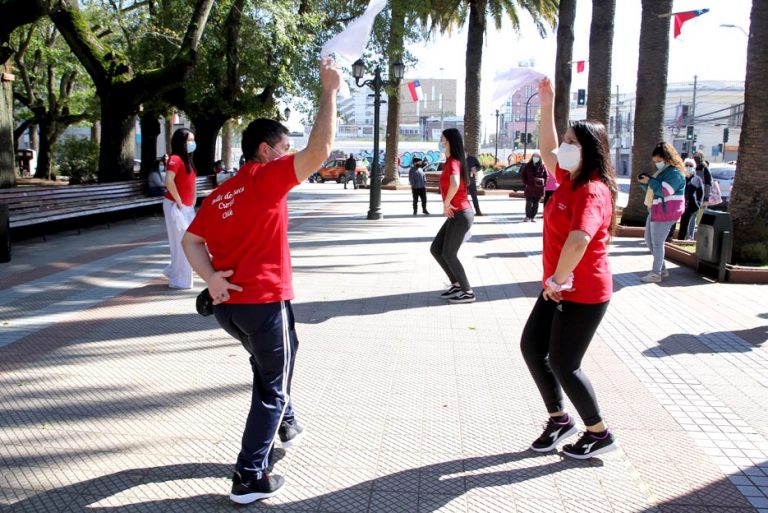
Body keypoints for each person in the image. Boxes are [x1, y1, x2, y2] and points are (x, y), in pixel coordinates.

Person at [182, 58, 342, 504]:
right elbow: (321, 149)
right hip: (262, 303)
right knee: (272, 383)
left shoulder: (223, 192)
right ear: (266, 151)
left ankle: (287, 421)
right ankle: (249, 476)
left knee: (272, 366)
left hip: (231, 308)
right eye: (284, 146)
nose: (290, 154)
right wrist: (328, 90)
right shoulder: (265, 179)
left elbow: (189, 241)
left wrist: (212, 278)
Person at [521, 77, 619, 459]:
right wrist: (547, 105)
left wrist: (557, 279)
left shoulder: (593, 189)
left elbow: (579, 239)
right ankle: (560, 419)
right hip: (558, 286)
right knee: (533, 347)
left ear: (591, 151)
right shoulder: (568, 179)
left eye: (573, 143)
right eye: (565, 140)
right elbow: (546, 150)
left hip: (583, 290)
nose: (563, 147)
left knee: (565, 363)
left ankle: (599, 432)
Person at [430, 128, 476, 304]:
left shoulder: (454, 162)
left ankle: (467, 291)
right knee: (436, 249)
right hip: (457, 213)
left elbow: (455, 182)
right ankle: (456, 285)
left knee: (449, 253)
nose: (440, 142)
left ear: (448, 141)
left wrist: (446, 203)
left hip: (461, 213)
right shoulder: (452, 161)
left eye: (442, 138)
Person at [637, 142, 686, 283]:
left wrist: (650, 181)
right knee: (649, 240)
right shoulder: (663, 172)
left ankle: (656, 273)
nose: (657, 164)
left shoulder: (675, 173)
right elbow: (655, 191)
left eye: (659, 161)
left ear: (667, 158)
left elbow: (665, 191)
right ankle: (661, 269)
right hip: (657, 210)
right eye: (655, 161)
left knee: (657, 243)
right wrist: (645, 183)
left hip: (666, 212)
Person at [162, 128, 197, 289]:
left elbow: (190, 182)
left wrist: (193, 199)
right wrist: (179, 200)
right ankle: (180, 279)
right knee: (181, 242)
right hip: (176, 207)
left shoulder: (187, 160)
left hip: (186, 206)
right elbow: (169, 180)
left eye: (193, 140)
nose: (192, 143)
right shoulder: (175, 159)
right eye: (189, 140)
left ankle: (177, 272)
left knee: (187, 241)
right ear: (181, 142)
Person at [678, 158, 703, 240]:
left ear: (694, 167)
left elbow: (700, 193)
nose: (688, 167)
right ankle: (671, 238)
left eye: (690, 165)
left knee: (685, 223)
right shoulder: (680, 177)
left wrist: (698, 204)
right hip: (678, 204)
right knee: (674, 223)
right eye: (686, 165)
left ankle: (681, 239)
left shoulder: (697, 179)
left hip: (690, 205)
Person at [521, 153, 547, 222]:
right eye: (535, 157)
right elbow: (523, 175)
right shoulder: (528, 165)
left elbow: (546, 176)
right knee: (529, 203)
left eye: (537, 157)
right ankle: (528, 216)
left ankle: (532, 217)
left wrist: (544, 183)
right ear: (532, 157)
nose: (536, 158)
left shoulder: (542, 166)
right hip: (529, 187)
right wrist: (526, 183)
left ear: (540, 158)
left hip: (538, 189)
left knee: (536, 203)